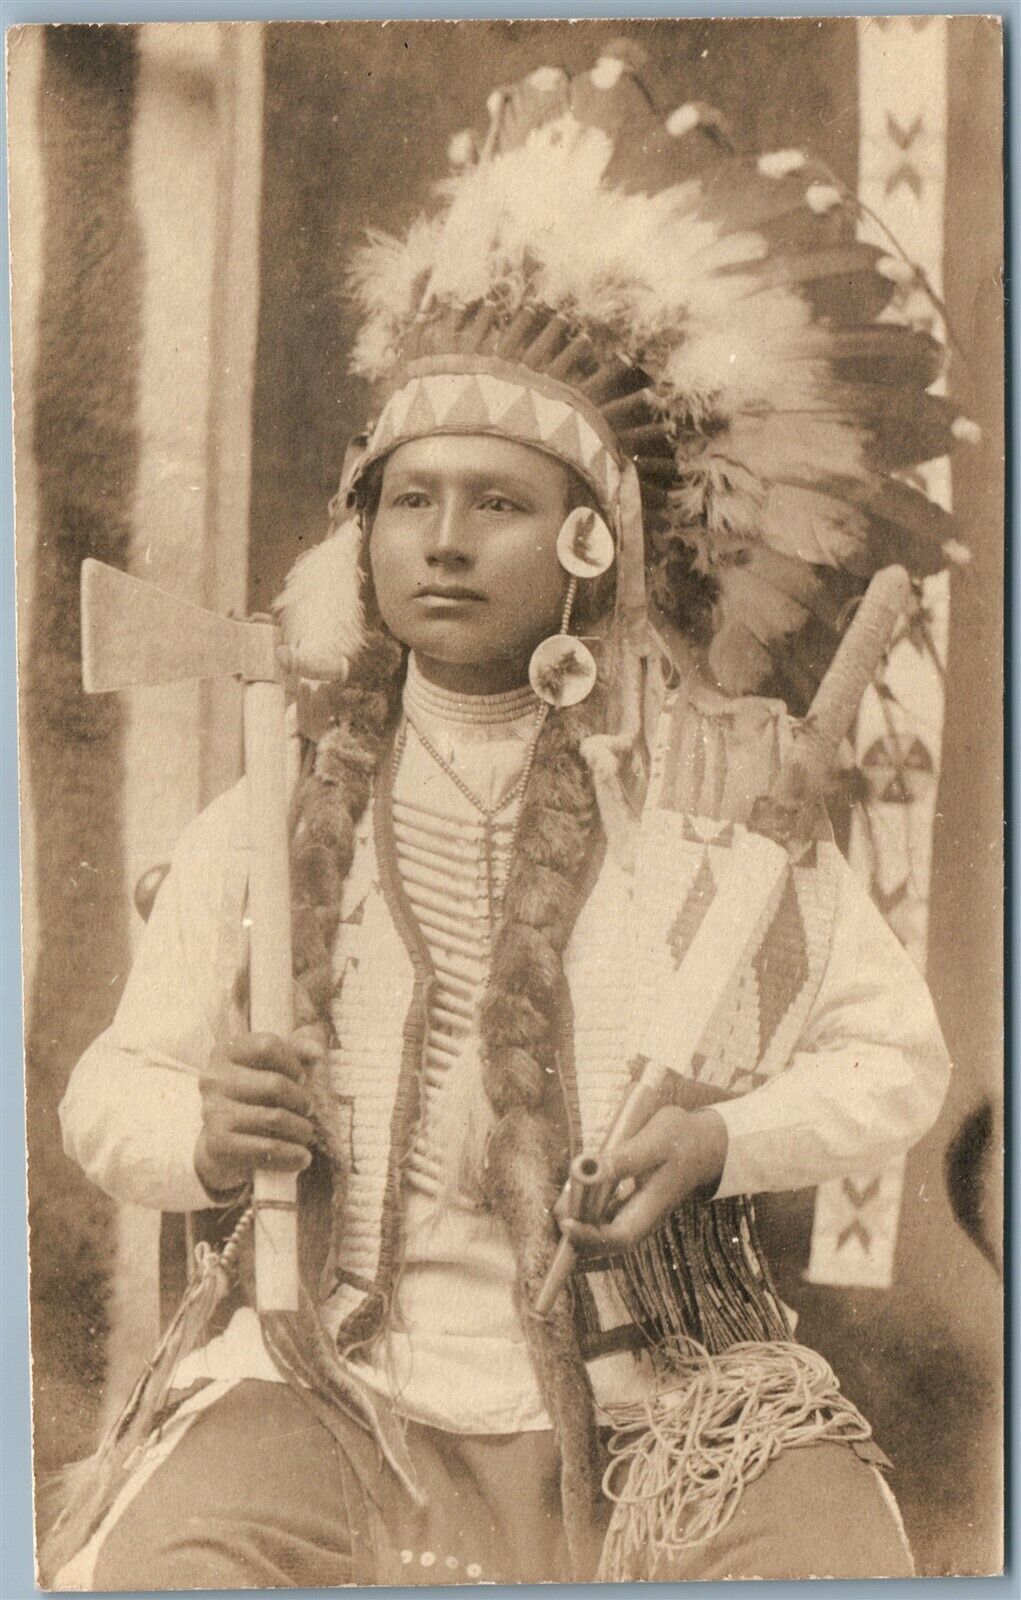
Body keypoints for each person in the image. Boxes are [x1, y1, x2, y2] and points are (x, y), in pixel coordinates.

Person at [52, 42, 960, 1589]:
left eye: (499, 502)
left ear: (587, 548)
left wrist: (725, 1135)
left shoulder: (710, 819)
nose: (445, 543)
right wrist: (202, 1134)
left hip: (663, 1389)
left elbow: (895, 1062)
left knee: (829, 1563)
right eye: (411, 500)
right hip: (322, 1378)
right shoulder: (258, 828)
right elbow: (105, 1096)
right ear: (366, 535)